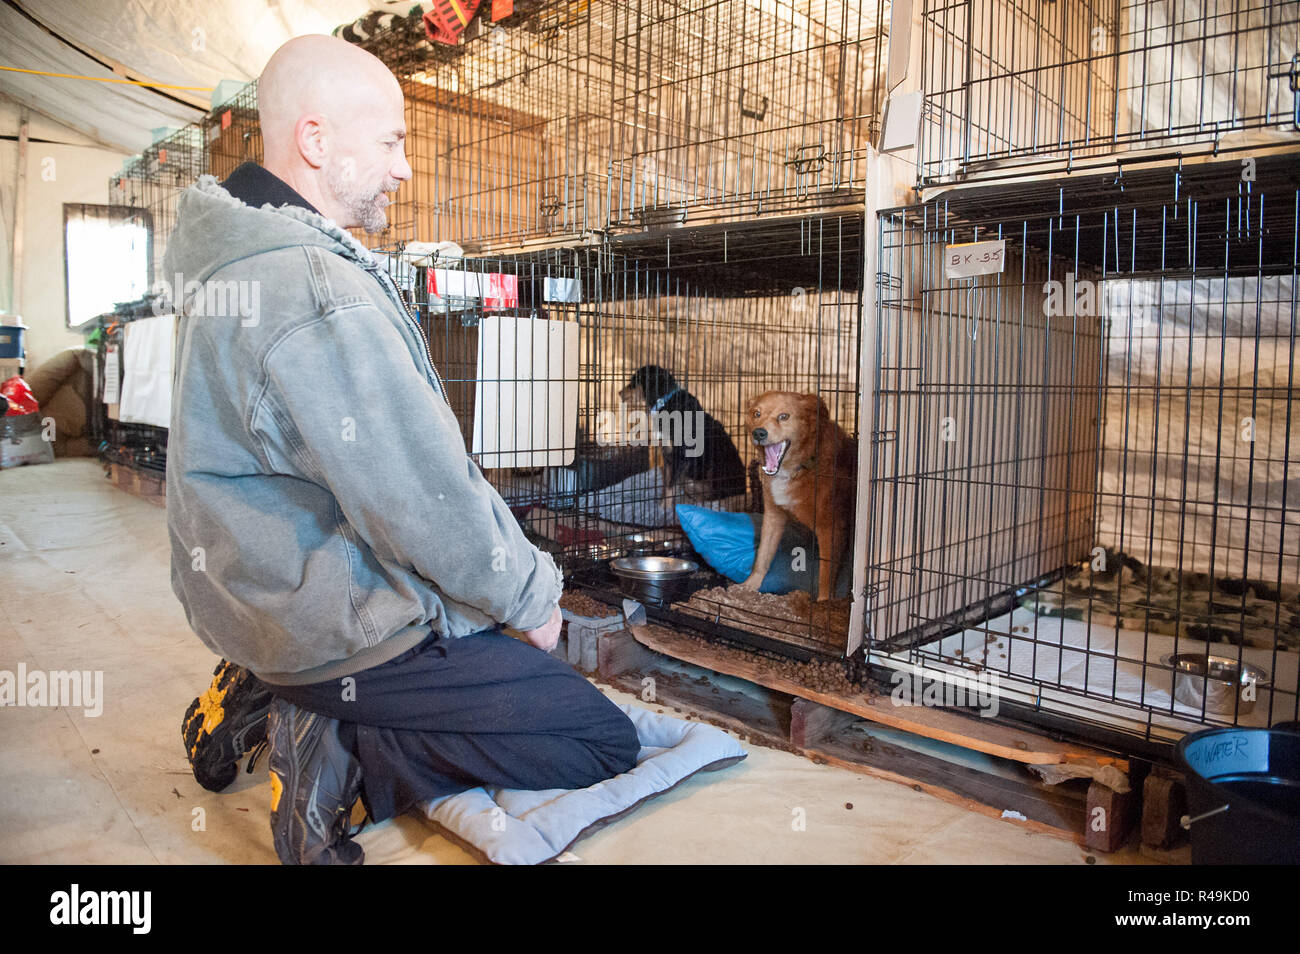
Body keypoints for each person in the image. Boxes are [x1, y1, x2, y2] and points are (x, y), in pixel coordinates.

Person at [166, 34, 640, 865]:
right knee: (593, 735)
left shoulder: (233, 260)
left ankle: (268, 681)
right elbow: (420, 502)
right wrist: (530, 598)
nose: (404, 169)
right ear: (316, 142)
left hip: (251, 598)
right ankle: (325, 734)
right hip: (329, 620)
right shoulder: (314, 288)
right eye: (390, 141)